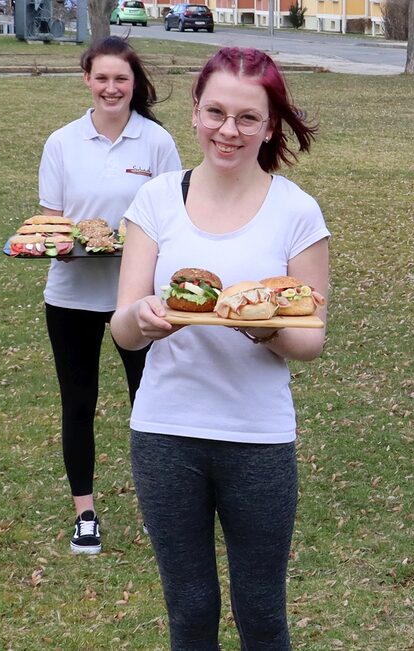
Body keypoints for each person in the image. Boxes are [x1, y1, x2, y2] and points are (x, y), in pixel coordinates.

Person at [110, 47, 327, 650]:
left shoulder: (297, 211)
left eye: (247, 118)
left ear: (269, 125)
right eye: (215, 113)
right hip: (165, 432)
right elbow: (121, 328)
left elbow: (310, 338)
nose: (228, 131)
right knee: (190, 611)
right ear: (195, 113)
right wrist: (145, 318)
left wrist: (266, 329)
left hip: (257, 439)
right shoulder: (155, 200)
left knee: (261, 614)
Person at [36, 35, 181, 554]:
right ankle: (86, 514)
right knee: (78, 405)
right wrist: (61, 246)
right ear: (87, 81)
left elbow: (174, 219)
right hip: (71, 295)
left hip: (136, 297)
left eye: (121, 79)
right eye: (102, 78)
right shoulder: (62, 142)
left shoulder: (157, 143)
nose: (112, 88)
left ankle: (158, 508)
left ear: (134, 83)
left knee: (150, 404)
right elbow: (50, 223)